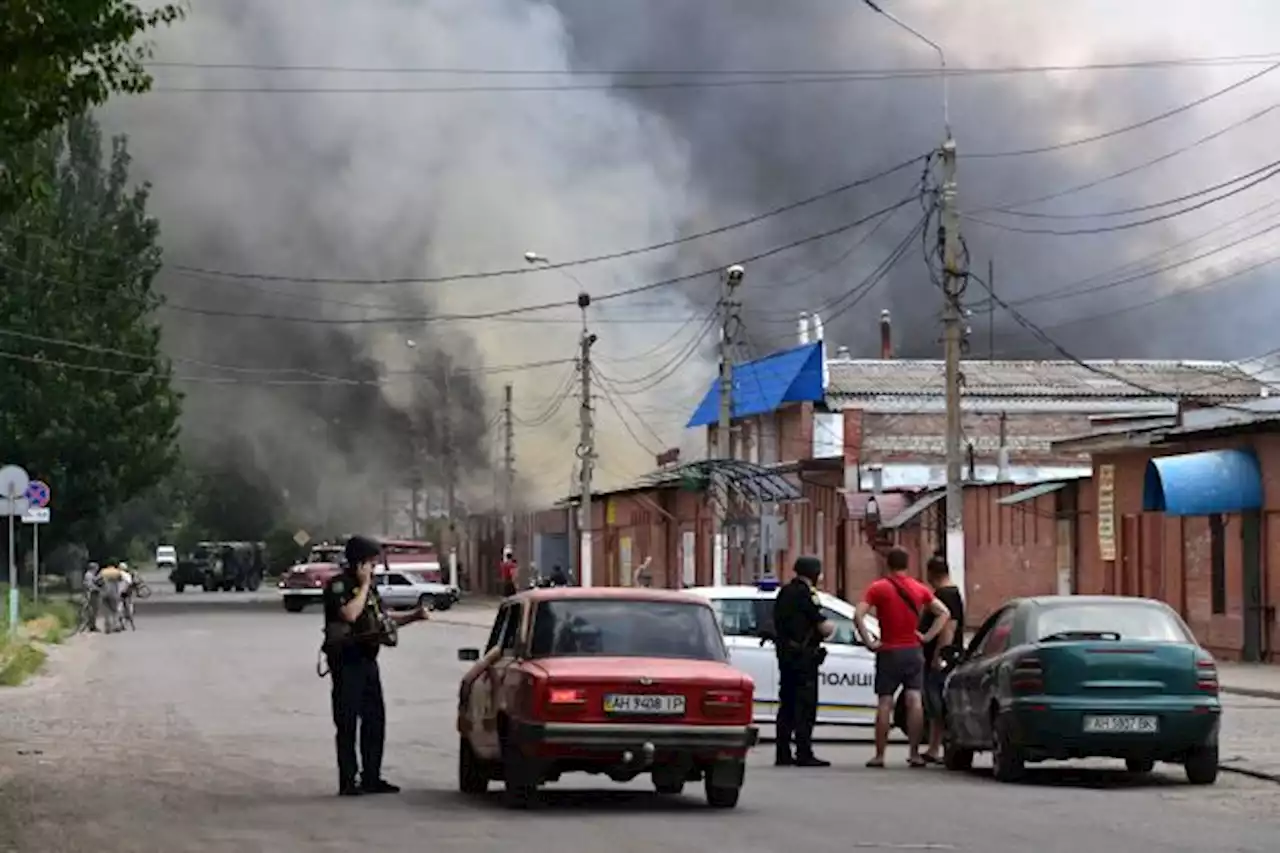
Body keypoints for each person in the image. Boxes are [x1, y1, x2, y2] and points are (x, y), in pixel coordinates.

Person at [323, 534, 431, 797]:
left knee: (374, 720)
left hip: (368, 660)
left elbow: (383, 618)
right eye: (371, 562)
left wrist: (413, 616)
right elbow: (350, 614)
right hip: (346, 662)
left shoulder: (368, 589)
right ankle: (348, 780)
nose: (375, 567)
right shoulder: (339, 586)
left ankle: (372, 776)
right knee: (348, 722)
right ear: (359, 563)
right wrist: (363, 584)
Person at [855, 547, 952, 768]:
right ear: (907, 564)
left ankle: (880, 755)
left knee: (885, 701)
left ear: (887, 564)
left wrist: (869, 641)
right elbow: (944, 613)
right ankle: (915, 753)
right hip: (913, 651)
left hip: (888, 650)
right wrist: (926, 637)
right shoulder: (920, 589)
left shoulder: (878, 588)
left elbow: (857, 615)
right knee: (914, 700)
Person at [772, 556, 835, 767]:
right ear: (814, 574)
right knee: (805, 706)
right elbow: (822, 626)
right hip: (804, 658)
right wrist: (830, 628)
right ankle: (803, 752)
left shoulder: (784, 592)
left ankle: (782, 752)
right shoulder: (806, 595)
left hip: (785, 656)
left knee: (787, 704)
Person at [920, 554, 965, 763]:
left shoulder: (945, 595)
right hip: (945, 655)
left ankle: (937, 747)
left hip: (940, 657)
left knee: (936, 703)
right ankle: (933, 747)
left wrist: (939, 655)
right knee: (936, 702)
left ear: (932, 573)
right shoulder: (952, 593)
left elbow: (949, 627)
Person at [81, 562, 101, 632]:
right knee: (92, 611)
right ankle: (91, 626)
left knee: (93, 611)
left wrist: (98, 578)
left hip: (92, 594)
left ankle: (92, 625)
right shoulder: (89, 575)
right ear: (93, 568)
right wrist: (97, 589)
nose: (97, 570)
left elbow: (94, 580)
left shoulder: (90, 575)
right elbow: (89, 585)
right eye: (96, 568)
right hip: (91, 595)